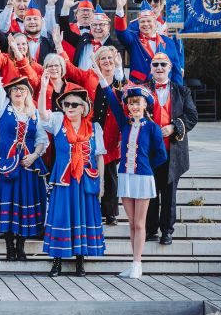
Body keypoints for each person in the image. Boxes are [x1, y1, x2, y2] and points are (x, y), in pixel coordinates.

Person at [0, 42, 48, 261]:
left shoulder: (34, 114)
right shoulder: (3, 108)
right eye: (15, 89)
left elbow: (42, 139)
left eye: (22, 89)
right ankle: (10, 247)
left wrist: (34, 155)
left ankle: (21, 246)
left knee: (24, 203)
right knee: (8, 204)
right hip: (6, 164)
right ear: (10, 93)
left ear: (28, 93)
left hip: (28, 165)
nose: (18, 92)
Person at [96, 73, 167, 280]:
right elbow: (112, 98)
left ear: (145, 104)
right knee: (131, 222)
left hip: (143, 178)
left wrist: (146, 168)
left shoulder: (153, 127)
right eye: (131, 103)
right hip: (126, 177)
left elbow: (161, 155)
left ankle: (138, 263)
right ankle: (133, 263)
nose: (134, 106)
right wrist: (100, 76)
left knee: (139, 223)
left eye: (138, 102)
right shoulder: (125, 124)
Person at [38, 77, 107, 277]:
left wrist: (102, 183)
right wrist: (43, 88)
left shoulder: (94, 128)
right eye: (66, 104)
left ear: (83, 108)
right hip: (64, 179)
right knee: (61, 217)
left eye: (74, 104)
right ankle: (57, 262)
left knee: (82, 216)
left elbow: (99, 157)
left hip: (86, 179)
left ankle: (80, 261)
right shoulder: (58, 121)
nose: (69, 107)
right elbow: (42, 114)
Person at [62, 45, 126, 226]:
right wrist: (60, 47)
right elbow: (71, 70)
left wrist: (123, 135)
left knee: (110, 172)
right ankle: (92, 208)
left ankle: (110, 212)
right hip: (91, 128)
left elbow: (124, 101)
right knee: (91, 168)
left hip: (112, 130)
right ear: (97, 61)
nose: (107, 61)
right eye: (103, 58)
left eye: (109, 58)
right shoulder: (90, 76)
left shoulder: (120, 79)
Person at [143, 52, 198, 245]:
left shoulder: (183, 91)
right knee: (150, 192)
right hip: (148, 151)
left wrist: (174, 127)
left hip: (172, 150)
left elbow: (192, 116)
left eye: (163, 64)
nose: (159, 68)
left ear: (169, 68)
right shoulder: (142, 90)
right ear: (151, 68)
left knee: (168, 194)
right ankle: (150, 230)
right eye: (155, 64)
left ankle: (167, 231)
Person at [114, 0, 183, 85]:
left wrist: (178, 91)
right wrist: (120, 10)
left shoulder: (168, 42)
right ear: (138, 25)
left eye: (149, 21)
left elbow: (176, 70)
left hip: (165, 88)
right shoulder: (134, 40)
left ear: (155, 24)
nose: (146, 24)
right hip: (140, 88)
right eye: (142, 21)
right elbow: (121, 33)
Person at [59, 0, 115, 70]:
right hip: (77, 75)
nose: (98, 28)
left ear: (108, 27)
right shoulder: (84, 39)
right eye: (94, 25)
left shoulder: (113, 46)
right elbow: (65, 32)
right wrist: (65, 8)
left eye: (101, 24)